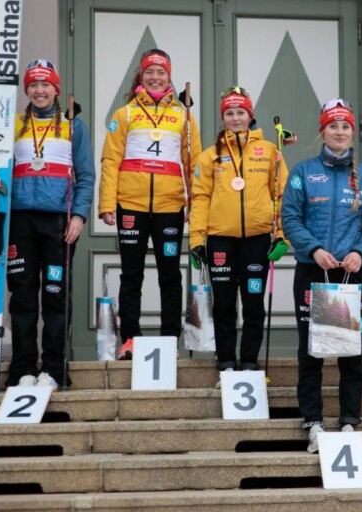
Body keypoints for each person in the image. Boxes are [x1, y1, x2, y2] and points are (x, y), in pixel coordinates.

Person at [281, 98, 362, 453]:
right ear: (322, 131)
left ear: (352, 132)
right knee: (311, 351)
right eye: (333, 126)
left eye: (345, 126)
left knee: (350, 353)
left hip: (351, 275)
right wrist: (313, 250)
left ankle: (349, 421)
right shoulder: (302, 173)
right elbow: (290, 218)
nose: (339, 132)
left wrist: (359, 252)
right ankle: (313, 421)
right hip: (313, 272)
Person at [99, 49, 202, 359]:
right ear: (140, 77)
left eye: (161, 72)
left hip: (170, 207)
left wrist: (194, 203)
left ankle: (169, 339)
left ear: (169, 78)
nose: (155, 77)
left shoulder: (183, 115)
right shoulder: (124, 114)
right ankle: (130, 338)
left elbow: (194, 160)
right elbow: (110, 160)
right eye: (149, 72)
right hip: (131, 206)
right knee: (131, 275)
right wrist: (107, 202)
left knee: (170, 274)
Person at [4, 59, 95, 389]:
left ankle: (55, 370)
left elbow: (85, 176)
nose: (39, 90)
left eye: (46, 84)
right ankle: (23, 369)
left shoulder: (74, 126)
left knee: (56, 296)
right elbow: (0, 170)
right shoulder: (11, 125)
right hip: (20, 222)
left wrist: (79, 216)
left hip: (59, 222)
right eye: (33, 85)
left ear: (56, 89)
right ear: (26, 89)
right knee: (23, 297)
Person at [188, 86, 289, 373]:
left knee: (253, 303)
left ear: (250, 115)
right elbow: (200, 199)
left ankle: (249, 360)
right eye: (229, 113)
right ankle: (226, 361)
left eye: (240, 112)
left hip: (257, 240)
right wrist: (197, 239)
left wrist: (281, 235)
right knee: (223, 305)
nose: (235, 118)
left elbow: (282, 196)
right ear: (224, 118)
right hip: (220, 241)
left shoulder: (270, 151)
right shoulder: (210, 156)